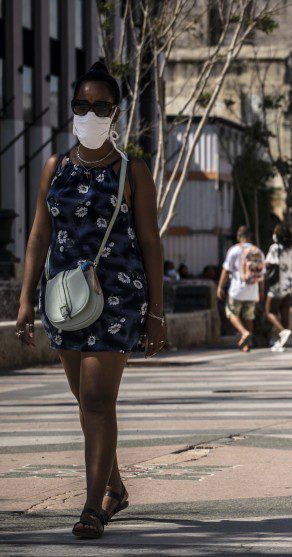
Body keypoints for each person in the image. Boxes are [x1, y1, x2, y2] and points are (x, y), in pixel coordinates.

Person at [15, 62, 166, 538]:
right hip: (63, 301)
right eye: (82, 105)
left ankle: (92, 507)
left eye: (101, 106)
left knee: (98, 400)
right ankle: (116, 488)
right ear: (73, 109)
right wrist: (24, 301)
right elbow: (39, 236)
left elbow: (151, 243)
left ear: (115, 112)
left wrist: (157, 313)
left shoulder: (132, 171)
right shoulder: (54, 168)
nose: (90, 113)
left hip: (118, 299)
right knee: (86, 401)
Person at [217, 226, 264, 352]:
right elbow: (261, 275)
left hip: (237, 290)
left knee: (231, 312)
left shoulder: (234, 250)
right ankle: (247, 344)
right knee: (249, 316)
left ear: (238, 237)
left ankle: (244, 333)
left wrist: (220, 286)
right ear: (250, 237)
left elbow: (226, 270)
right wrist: (261, 291)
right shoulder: (257, 251)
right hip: (252, 290)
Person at [264, 224, 292, 352]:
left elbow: (269, 264)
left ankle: (282, 332)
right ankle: (282, 342)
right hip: (291, 284)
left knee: (270, 311)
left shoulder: (275, 249)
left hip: (278, 283)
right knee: (284, 313)